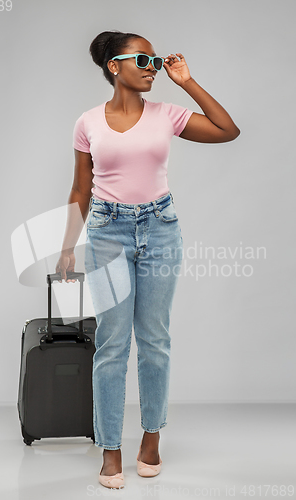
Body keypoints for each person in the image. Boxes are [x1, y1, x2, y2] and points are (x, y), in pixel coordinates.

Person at [55, 30, 240, 489]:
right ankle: (111, 446)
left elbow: (227, 130)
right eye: (143, 60)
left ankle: (151, 437)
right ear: (114, 66)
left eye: (155, 61)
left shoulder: (168, 114)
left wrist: (187, 82)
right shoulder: (88, 123)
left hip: (160, 229)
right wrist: (65, 247)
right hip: (107, 233)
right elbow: (81, 188)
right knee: (113, 342)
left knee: (154, 338)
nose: (152, 67)